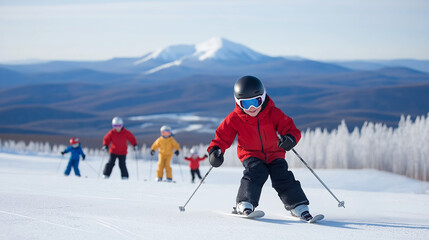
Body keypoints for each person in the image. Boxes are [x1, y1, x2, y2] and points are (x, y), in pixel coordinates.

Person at [207, 75, 313, 221]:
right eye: (246, 104)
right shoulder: (234, 118)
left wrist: (290, 139)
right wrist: (215, 151)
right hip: (250, 154)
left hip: (275, 153)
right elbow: (222, 137)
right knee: (256, 172)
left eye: (256, 102)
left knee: (282, 176)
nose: (252, 108)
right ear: (238, 103)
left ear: (263, 98)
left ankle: (298, 206)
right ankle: (244, 203)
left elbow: (291, 129)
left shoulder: (273, 113)